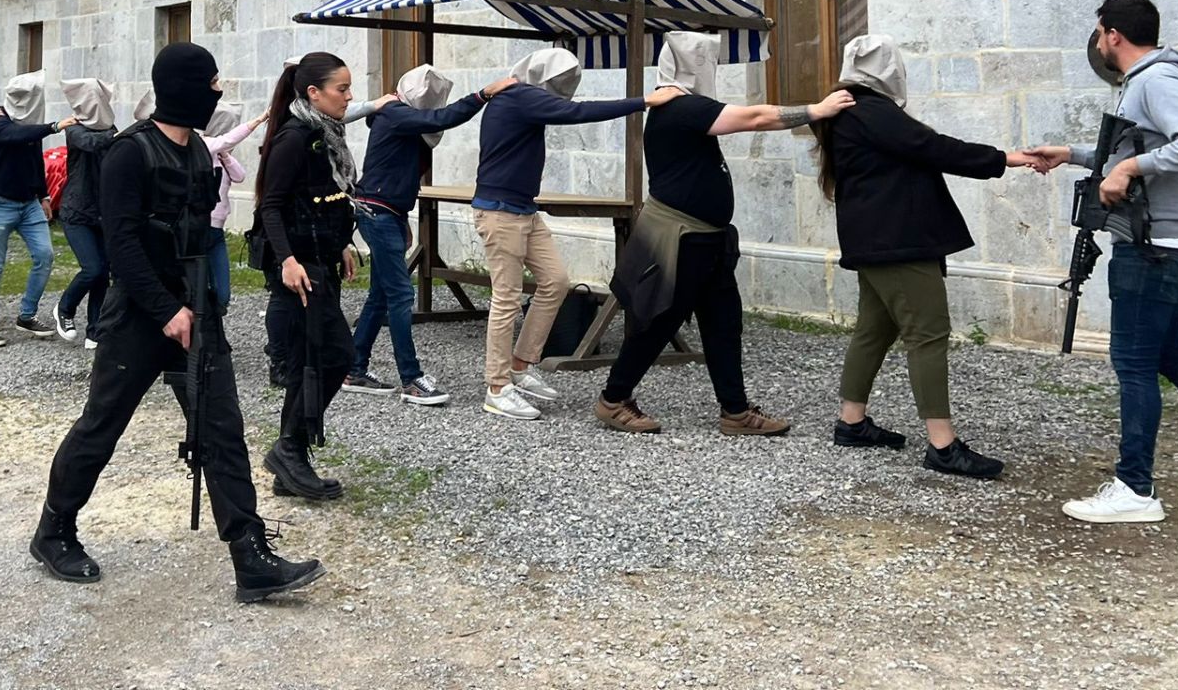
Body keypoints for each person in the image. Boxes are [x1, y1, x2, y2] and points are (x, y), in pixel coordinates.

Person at [35, 42, 324, 603]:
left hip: (198, 310)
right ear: (184, 87)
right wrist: (166, 311)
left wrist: (198, 306)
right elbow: (120, 244)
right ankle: (54, 530)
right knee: (102, 424)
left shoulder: (196, 151)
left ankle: (250, 555)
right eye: (212, 82)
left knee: (223, 430)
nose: (218, 91)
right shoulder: (129, 153)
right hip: (140, 318)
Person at [1031, 0, 1178, 521]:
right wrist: (1074, 154)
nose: (1099, 42)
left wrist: (1128, 168)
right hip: (1166, 242)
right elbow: (1135, 150)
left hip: (1153, 247)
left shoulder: (1156, 80)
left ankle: (1135, 490)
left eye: (1099, 33)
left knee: (1133, 363)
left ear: (1112, 35)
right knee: (1167, 356)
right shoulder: (1147, 79)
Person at [591, 35, 849, 437]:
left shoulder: (682, 107)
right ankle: (613, 399)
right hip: (681, 237)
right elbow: (755, 118)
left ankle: (735, 411)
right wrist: (817, 109)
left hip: (706, 239)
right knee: (659, 322)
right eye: (706, 60)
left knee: (723, 322)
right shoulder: (681, 107)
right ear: (693, 66)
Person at [810, 35, 1035, 478]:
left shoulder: (848, 109)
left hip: (877, 240)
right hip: (897, 241)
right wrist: (1007, 158)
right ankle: (943, 445)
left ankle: (851, 422)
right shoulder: (870, 109)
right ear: (887, 70)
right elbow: (933, 147)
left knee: (874, 329)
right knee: (928, 334)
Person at [470, 48, 666, 420]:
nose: (562, 93)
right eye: (559, 85)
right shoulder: (519, 96)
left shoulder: (522, 97)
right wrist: (643, 101)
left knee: (555, 282)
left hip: (524, 210)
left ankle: (521, 364)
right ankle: (497, 388)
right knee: (507, 298)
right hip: (500, 213)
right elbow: (577, 113)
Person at [343, 66, 516, 406]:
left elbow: (396, 172)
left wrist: (402, 219)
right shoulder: (394, 113)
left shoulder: (397, 117)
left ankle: (354, 369)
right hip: (377, 212)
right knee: (401, 296)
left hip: (384, 211)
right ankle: (410, 378)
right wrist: (483, 94)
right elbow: (443, 119)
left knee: (381, 295)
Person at [253, 51, 364, 500]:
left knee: (313, 360)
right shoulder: (295, 137)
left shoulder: (324, 133)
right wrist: (287, 261)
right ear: (314, 93)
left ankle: (290, 460)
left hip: (319, 257)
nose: (349, 96)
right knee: (335, 355)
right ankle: (290, 450)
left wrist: (341, 242)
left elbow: (322, 196)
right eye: (342, 89)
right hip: (299, 267)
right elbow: (271, 205)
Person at [0, 72, 78, 348]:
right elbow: (16, 135)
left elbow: (34, 161)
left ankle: (27, 315)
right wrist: (54, 126)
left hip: (29, 204)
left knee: (44, 255)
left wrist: (44, 196)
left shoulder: (31, 127)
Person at [55, 78, 117, 347]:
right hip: (76, 211)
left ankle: (95, 330)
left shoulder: (111, 130)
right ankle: (64, 309)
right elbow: (93, 143)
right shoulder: (75, 130)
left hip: (102, 212)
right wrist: (120, 136)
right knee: (92, 268)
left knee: (103, 272)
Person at [200, 102, 266, 312]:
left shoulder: (220, 152)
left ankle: (213, 330)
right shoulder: (204, 145)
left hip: (217, 231)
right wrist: (258, 120)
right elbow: (228, 139)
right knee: (199, 288)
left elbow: (239, 176)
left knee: (222, 293)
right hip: (202, 227)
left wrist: (226, 156)